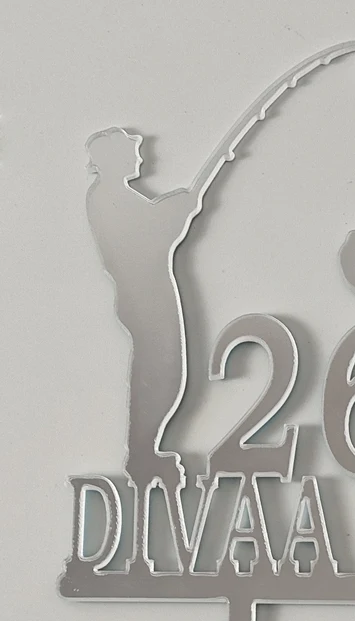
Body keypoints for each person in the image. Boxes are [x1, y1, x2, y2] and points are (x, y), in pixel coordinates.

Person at [86, 127, 201, 571]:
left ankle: (146, 447)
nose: (140, 156)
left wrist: (174, 211)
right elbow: (146, 241)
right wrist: (178, 213)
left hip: (151, 293)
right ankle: (142, 449)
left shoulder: (119, 197)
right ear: (113, 158)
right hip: (144, 297)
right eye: (133, 151)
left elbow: (151, 227)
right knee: (160, 369)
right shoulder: (106, 199)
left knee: (169, 373)